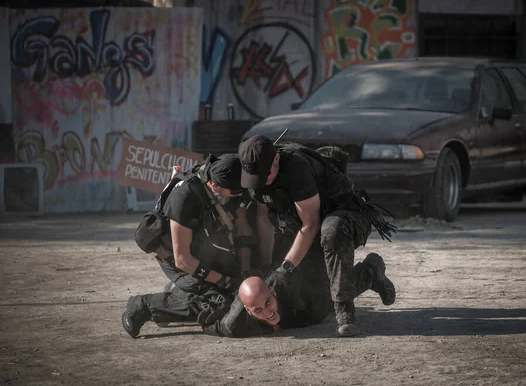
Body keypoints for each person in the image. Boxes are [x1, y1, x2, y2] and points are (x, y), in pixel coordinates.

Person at [237, 135, 397, 336]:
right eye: (256, 178)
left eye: (266, 174)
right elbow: (264, 221)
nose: (262, 181)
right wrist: (268, 265)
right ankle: (370, 273)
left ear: (276, 159)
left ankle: (344, 310)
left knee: (332, 231)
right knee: (317, 302)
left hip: (346, 219)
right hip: (308, 230)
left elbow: (311, 225)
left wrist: (285, 268)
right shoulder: (256, 172)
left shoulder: (297, 169)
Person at [122, 154, 257, 338]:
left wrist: (245, 273)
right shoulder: (184, 197)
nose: (239, 194)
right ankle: (144, 305)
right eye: (234, 192)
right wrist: (224, 282)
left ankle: (179, 293)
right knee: (217, 303)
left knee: (247, 289)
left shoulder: (228, 182)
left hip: (205, 252)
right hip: (177, 259)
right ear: (214, 185)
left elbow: (242, 229)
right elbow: (183, 260)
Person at [201, 250, 395, 338]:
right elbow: (210, 323)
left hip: (310, 284)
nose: (267, 312)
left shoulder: (291, 287)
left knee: (332, 297)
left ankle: (370, 269)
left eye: (268, 303)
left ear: (273, 292)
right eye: (258, 310)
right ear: (247, 311)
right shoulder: (234, 323)